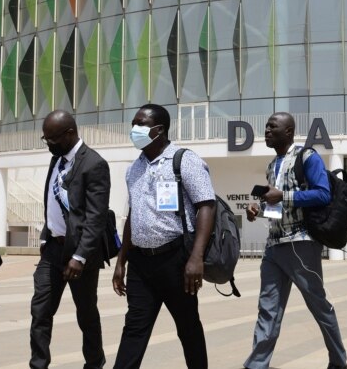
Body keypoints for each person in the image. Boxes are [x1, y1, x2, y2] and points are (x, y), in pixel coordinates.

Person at [112, 104, 216, 369]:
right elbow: (132, 216)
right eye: (133, 123)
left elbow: (206, 205)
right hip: (140, 264)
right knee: (134, 329)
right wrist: (121, 261)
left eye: (140, 124)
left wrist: (196, 258)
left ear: (158, 130)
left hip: (176, 261)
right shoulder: (133, 169)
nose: (134, 129)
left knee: (188, 327)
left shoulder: (184, 160)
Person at [243, 112, 347, 369]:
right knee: (267, 309)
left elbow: (322, 194)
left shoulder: (307, 157)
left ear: (288, 131)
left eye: (272, 126)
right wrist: (257, 208)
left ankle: (338, 361)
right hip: (274, 246)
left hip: (300, 242)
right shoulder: (271, 165)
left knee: (319, 306)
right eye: (266, 126)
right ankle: (257, 364)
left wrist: (284, 197)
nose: (266, 130)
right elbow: (274, 201)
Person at [30, 110, 111, 369]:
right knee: (40, 312)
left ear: (70, 133)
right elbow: (52, 202)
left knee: (86, 314)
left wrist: (80, 256)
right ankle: (39, 365)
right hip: (53, 250)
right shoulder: (57, 161)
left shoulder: (94, 163)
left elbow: (95, 217)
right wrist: (46, 236)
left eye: (52, 139)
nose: (49, 144)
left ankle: (94, 364)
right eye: (46, 139)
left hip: (80, 254)